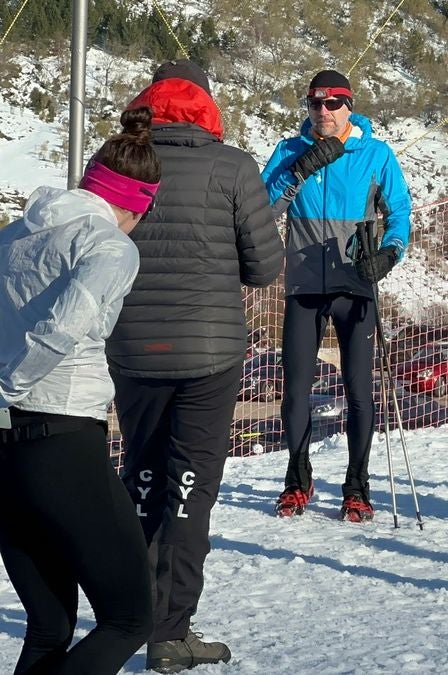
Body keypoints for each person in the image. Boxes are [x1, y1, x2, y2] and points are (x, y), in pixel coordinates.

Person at [108, 60, 284, 671]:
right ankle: (170, 631)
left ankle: (126, 618)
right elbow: (264, 268)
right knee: (189, 490)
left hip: (130, 347)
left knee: (142, 478)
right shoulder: (232, 166)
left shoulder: (118, 161)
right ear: (207, 105)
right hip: (208, 353)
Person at [0, 107, 159, 674]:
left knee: (50, 627)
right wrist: (8, 385)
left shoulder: (17, 232)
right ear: (140, 203)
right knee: (129, 617)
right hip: (61, 438)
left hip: (6, 452)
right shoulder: (111, 246)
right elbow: (62, 329)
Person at [262, 69, 413, 522]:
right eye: (314, 104)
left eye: (332, 104)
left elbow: (400, 213)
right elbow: (263, 208)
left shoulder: (375, 153)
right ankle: (297, 479)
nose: (323, 112)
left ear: (349, 106)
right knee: (294, 392)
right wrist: (299, 171)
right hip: (305, 285)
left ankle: (357, 487)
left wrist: (389, 253)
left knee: (360, 392)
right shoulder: (289, 151)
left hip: (355, 286)